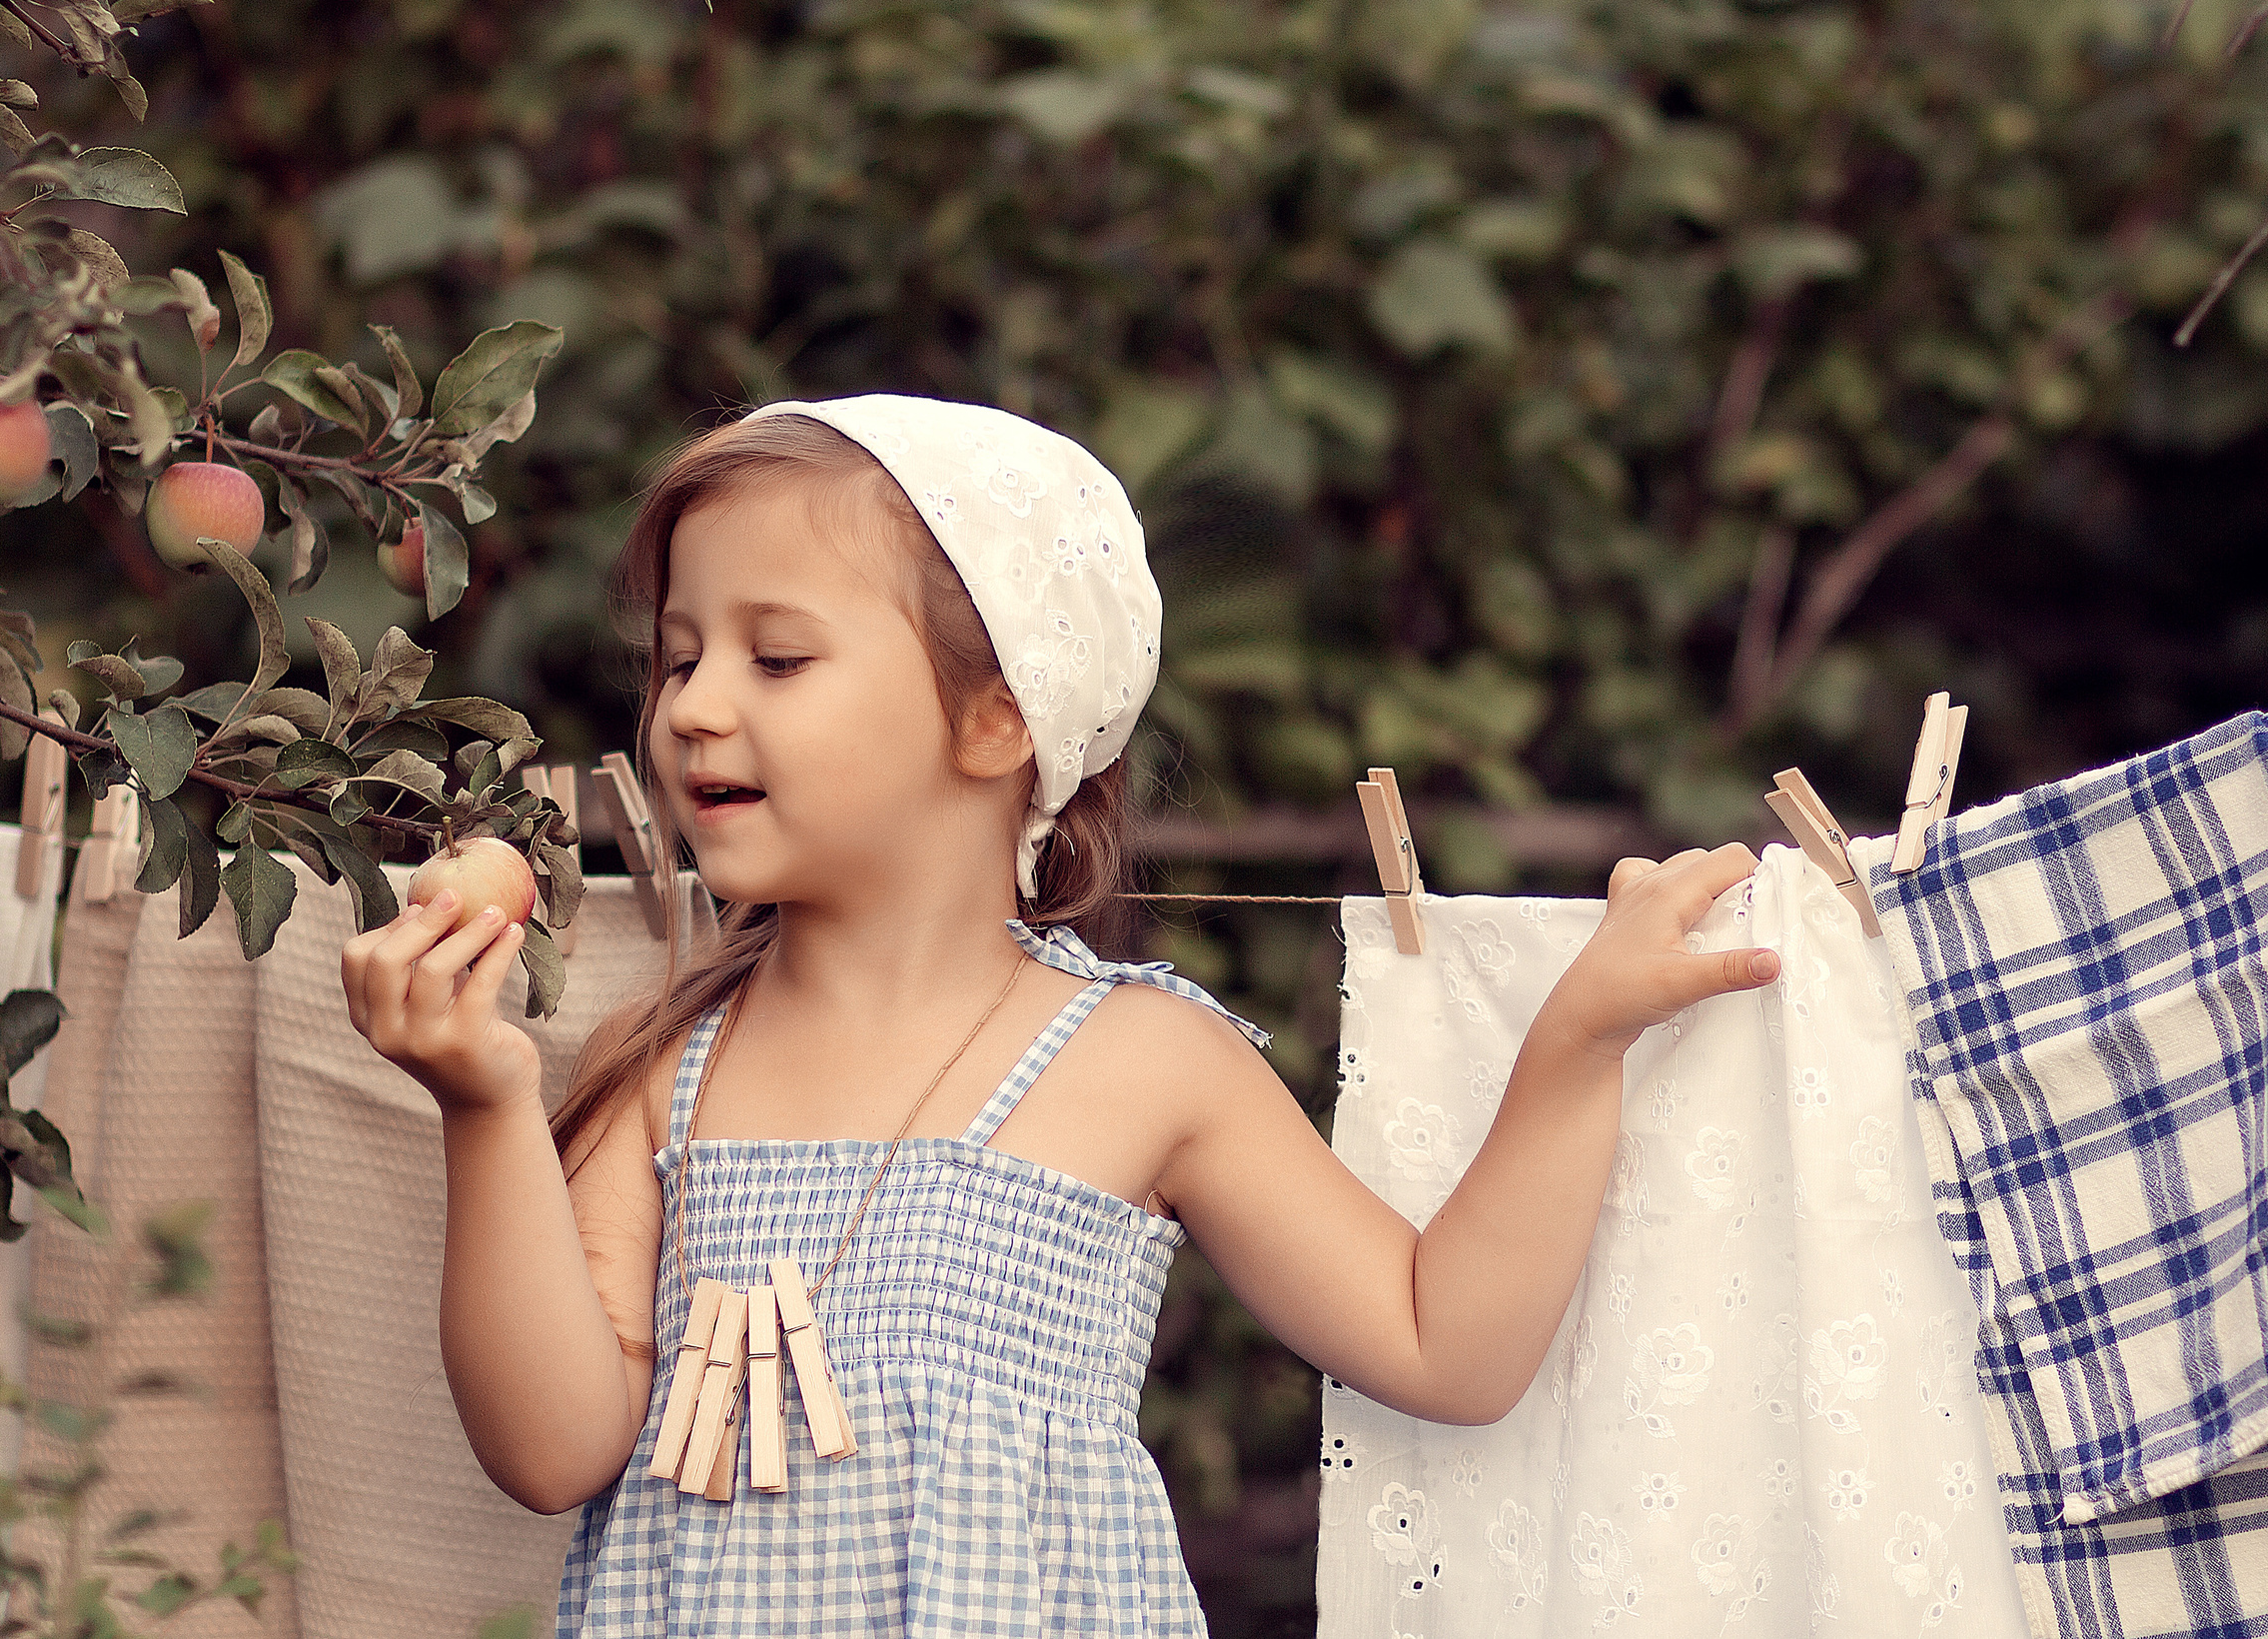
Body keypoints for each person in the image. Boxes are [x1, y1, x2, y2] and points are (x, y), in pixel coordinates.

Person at [339, 396, 1779, 1636]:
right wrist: (483, 1100)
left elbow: (1440, 1342)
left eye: (776, 659)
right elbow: (550, 1448)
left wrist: (1579, 1041)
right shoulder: (663, 1069)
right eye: (677, 656)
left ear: (996, 720)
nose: (693, 707)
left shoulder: (1142, 1057)